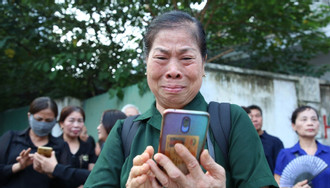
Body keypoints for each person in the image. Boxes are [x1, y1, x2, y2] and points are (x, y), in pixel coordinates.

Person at [84, 10, 278, 188]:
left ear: (203, 64)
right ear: (146, 64)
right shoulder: (123, 132)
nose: (173, 71)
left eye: (186, 58)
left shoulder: (232, 120)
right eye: (161, 58)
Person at [274, 106, 330, 188]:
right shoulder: (285, 154)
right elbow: (278, 185)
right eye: (304, 119)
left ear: (318, 124)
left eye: (314, 119)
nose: (310, 123)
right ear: (293, 125)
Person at [58, 106, 97, 171]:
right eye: (71, 121)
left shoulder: (88, 147)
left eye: (80, 121)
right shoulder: (54, 144)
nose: (76, 125)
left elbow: (91, 173)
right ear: (62, 123)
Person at [248, 104, 284, 174]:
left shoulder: (275, 142)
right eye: (251, 117)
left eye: (257, 116)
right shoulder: (242, 143)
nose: (255, 119)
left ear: (262, 118)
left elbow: (281, 169)